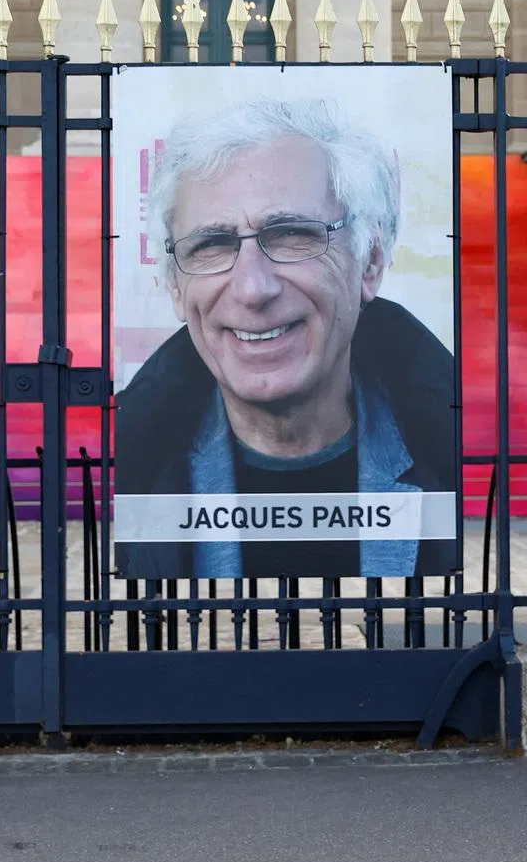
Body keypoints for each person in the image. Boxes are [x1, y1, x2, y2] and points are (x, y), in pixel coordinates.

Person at [116, 96, 457, 580]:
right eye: (212, 244)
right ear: (174, 285)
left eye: (292, 235)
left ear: (371, 262)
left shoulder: (466, 458)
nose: (253, 289)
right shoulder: (125, 473)